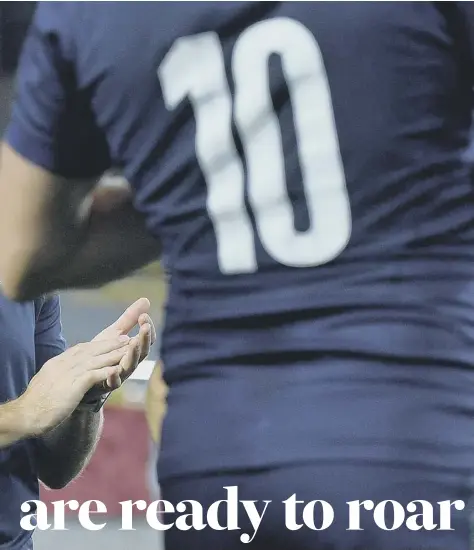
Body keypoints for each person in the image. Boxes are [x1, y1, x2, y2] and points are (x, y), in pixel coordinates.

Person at [0, 2, 473, 549]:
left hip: (219, 458)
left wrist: (209, 190)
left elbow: (26, 251)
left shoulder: (94, 13)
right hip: (409, 444)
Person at [0, 294, 156, 550]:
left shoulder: (33, 278)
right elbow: (31, 413)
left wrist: (86, 400)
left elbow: (55, 471)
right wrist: (23, 413)